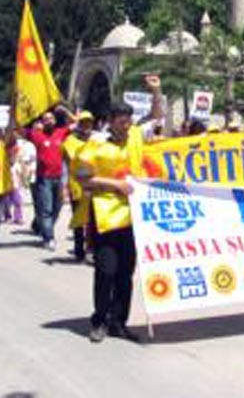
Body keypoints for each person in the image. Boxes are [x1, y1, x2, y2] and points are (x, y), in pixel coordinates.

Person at [80, 75, 163, 343]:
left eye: (129, 120)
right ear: (111, 121)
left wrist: (156, 90)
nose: (127, 125)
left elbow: (156, 116)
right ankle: (99, 321)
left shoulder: (137, 137)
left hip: (133, 217)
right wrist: (115, 184)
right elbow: (83, 178)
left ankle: (119, 322)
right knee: (106, 271)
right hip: (105, 217)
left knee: (126, 273)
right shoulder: (95, 145)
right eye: (122, 120)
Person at [26, 108, 75, 251]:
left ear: (55, 121)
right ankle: (49, 237)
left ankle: (44, 227)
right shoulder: (37, 135)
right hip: (44, 179)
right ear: (42, 122)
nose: (48, 121)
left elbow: (77, 123)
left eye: (51, 118)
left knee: (57, 207)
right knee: (46, 209)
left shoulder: (61, 132)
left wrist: (65, 110)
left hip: (59, 178)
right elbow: (19, 128)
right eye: (45, 119)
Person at [61, 111, 100, 261]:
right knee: (79, 219)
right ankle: (79, 250)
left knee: (94, 220)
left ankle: (93, 249)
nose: (86, 126)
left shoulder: (99, 140)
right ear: (78, 125)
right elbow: (65, 164)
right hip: (77, 186)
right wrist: (64, 187)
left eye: (89, 122)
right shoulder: (70, 141)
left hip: (96, 185)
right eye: (83, 122)